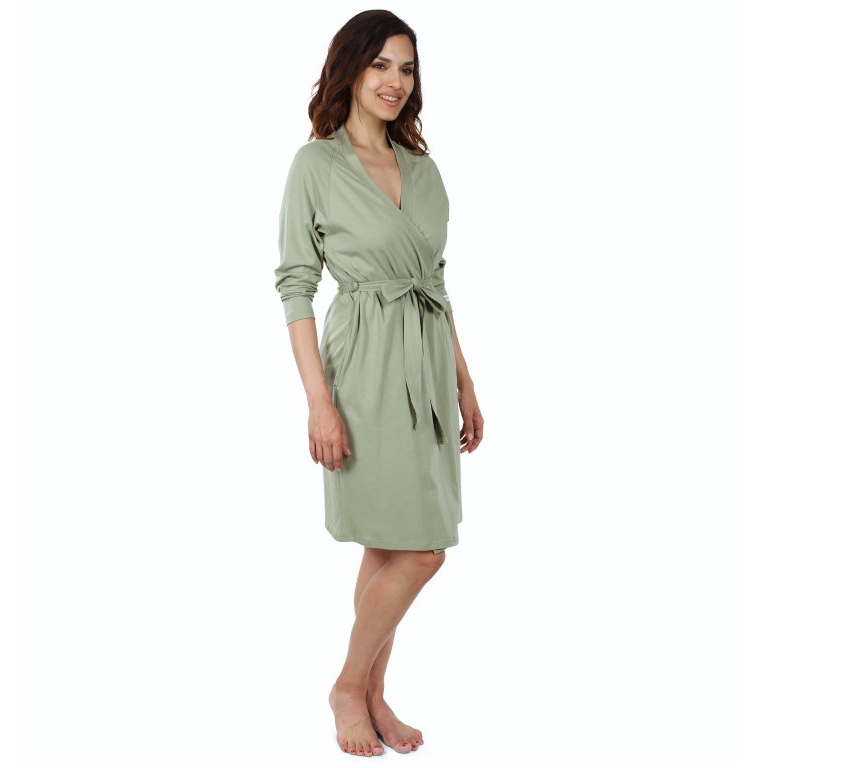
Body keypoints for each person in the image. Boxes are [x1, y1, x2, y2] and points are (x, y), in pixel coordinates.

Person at [274, 10, 484, 757]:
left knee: (393, 547)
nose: (396, 81)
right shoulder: (316, 166)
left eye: (408, 68)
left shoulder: (423, 169)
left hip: (427, 365)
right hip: (363, 368)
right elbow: (296, 286)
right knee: (421, 552)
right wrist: (319, 403)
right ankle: (347, 686)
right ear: (352, 69)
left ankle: (372, 693)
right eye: (381, 65)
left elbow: (436, 282)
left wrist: (464, 381)